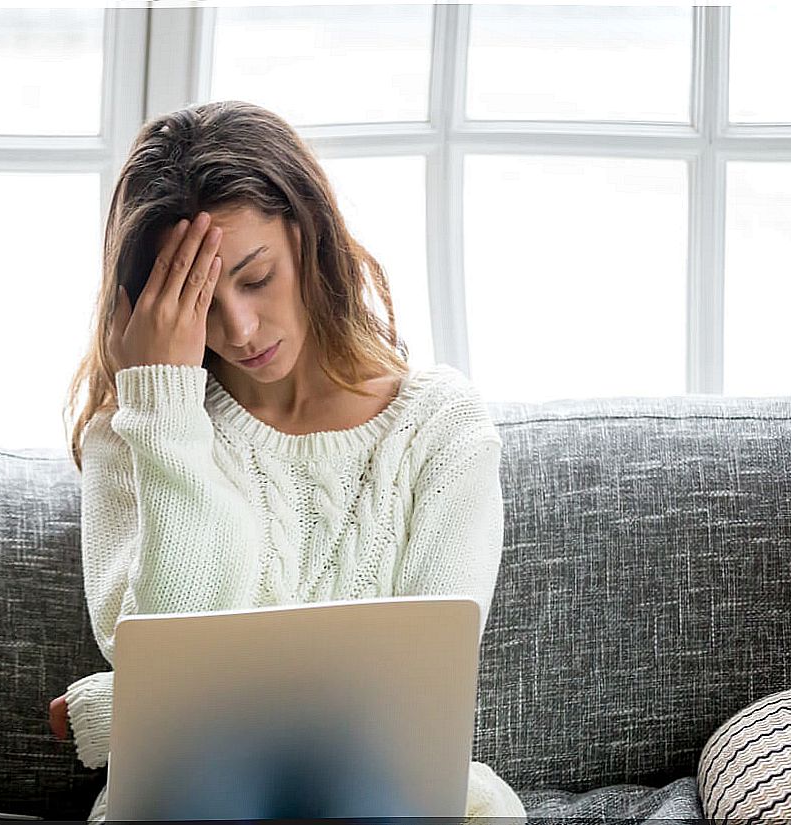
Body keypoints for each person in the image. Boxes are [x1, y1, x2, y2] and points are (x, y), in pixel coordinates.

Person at [47, 99, 526, 824]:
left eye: (256, 276)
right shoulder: (136, 431)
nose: (237, 329)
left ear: (309, 237)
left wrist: (119, 709)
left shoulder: (441, 426)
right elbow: (170, 652)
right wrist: (166, 410)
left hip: (385, 798)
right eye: (198, 302)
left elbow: (414, 700)